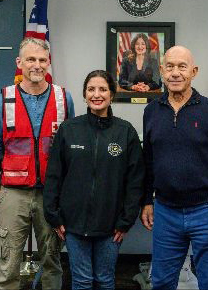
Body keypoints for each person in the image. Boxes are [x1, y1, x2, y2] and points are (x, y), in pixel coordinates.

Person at [139, 45, 208, 290]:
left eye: (182, 67)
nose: (175, 73)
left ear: (193, 71)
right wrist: (146, 201)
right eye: (170, 67)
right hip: (166, 211)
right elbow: (148, 160)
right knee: (161, 281)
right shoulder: (151, 111)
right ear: (161, 71)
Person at [43, 70, 145, 289]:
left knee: (105, 279)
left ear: (112, 94)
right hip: (73, 224)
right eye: (91, 89)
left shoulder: (125, 132)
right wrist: (54, 215)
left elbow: (135, 182)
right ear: (84, 94)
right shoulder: (69, 129)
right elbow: (54, 175)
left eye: (102, 89)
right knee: (81, 281)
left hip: (111, 227)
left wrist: (126, 221)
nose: (96, 94)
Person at [0, 38, 74, 290]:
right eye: (30, 59)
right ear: (19, 63)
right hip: (14, 193)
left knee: (52, 259)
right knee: (8, 261)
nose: (36, 65)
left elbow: (69, 145)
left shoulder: (63, 98)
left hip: (51, 192)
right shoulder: (3, 100)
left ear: (48, 63)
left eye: (41, 60)